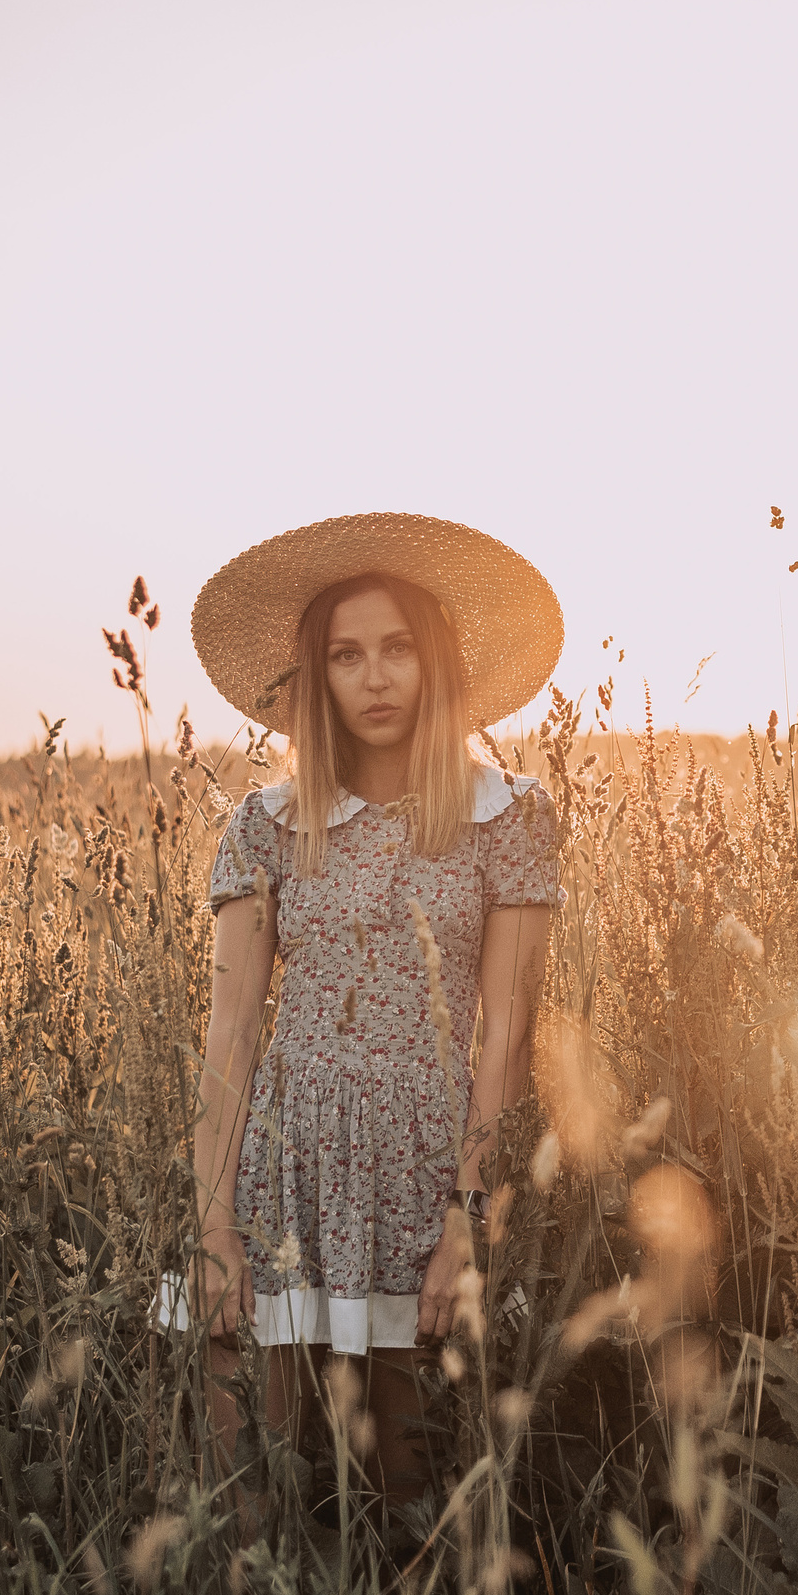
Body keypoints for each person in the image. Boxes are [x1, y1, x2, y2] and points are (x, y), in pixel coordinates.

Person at [182, 512, 565, 1504]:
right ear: (317, 678)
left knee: (414, 1495)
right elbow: (230, 1034)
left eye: (398, 647)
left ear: (436, 659)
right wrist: (214, 1225)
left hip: (425, 1177)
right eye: (346, 655)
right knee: (245, 1486)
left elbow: (506, 1038)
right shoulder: (268, 823)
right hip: (282, 1171)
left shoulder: (507, 815)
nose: (376, 677)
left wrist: (466, 1223)